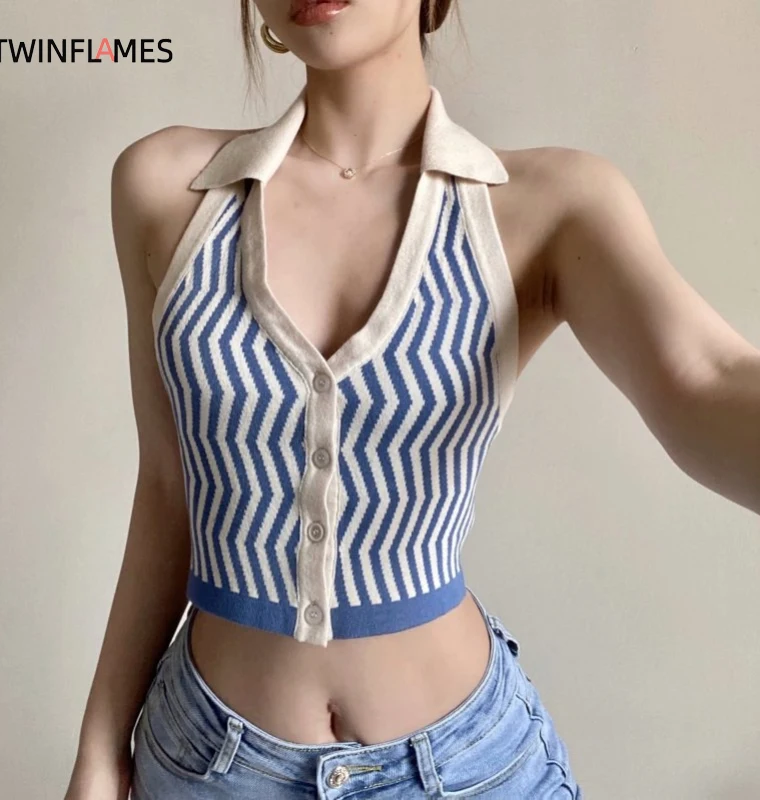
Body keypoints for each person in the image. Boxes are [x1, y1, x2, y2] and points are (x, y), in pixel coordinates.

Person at [64, 1, 760, 798]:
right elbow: (168, 486)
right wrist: (99, 751)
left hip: (469, 769)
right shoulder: (169, 190)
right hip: (207, 766)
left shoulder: (546, 204)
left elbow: (704, 374)